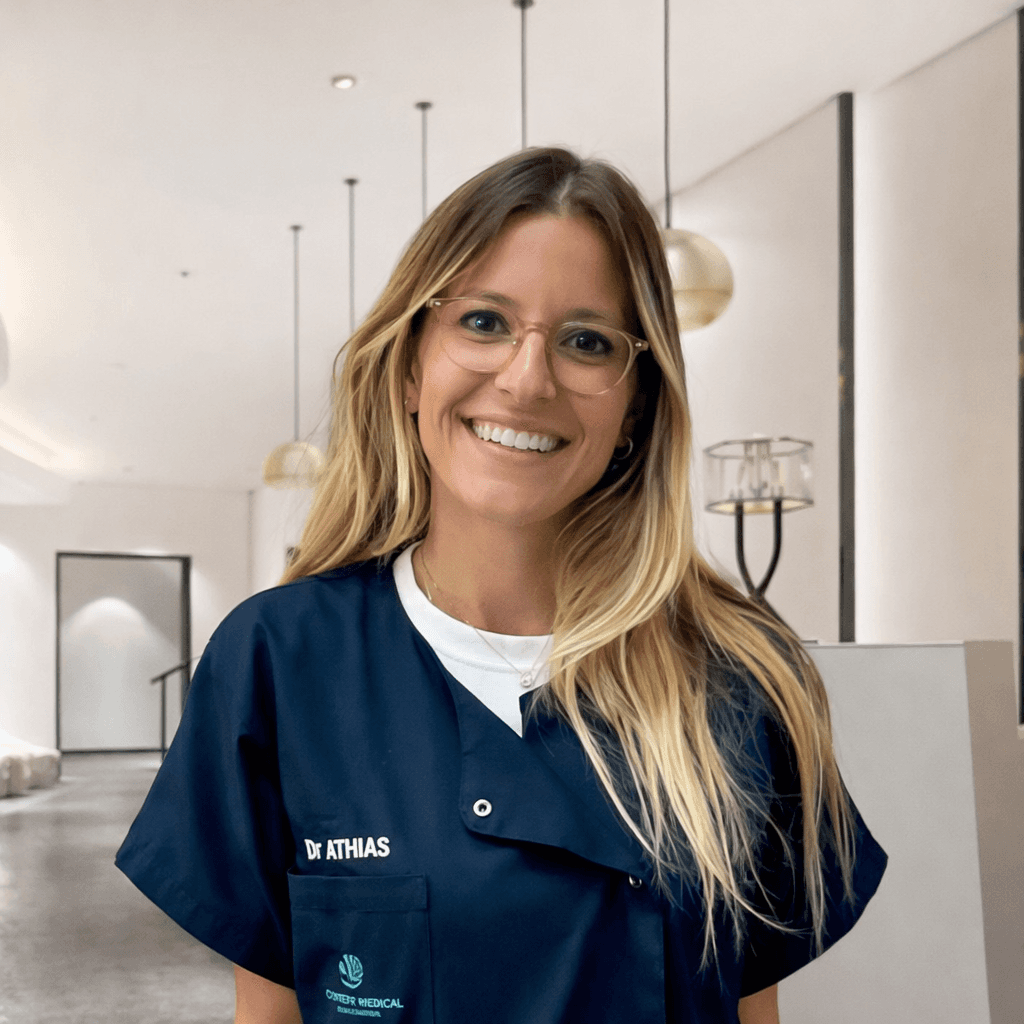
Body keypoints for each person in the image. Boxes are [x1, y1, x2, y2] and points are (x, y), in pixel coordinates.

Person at [117, 147, 887, 1024]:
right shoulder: (280, 663)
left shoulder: (741, 676)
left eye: (587, 341)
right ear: (411, 367)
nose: (527, 379)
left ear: (635, 404)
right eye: (483, 322)